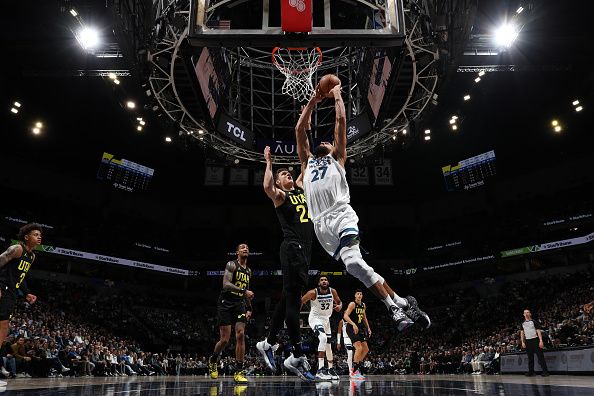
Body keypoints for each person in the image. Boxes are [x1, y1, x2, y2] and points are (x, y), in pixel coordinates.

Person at [295, 81, 430, 331]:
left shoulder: (338, 159)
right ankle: (402, 300)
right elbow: (300, 129)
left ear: (335, 149)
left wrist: (336, 97)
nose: (324, 140)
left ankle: (393, 310)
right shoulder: (307, 164)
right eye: (322, 140)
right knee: (359, 268)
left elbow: (340, 124)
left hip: (341, 215)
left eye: (329, 141)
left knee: (355, 265)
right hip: (321, 227)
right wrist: (313, 102)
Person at [256, 146, 314, 381]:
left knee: (287, 296)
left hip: (305, 250)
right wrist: (269, 163)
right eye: (283, 175)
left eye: (288, 173)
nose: (287, 175)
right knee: (293, 305)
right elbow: (267, 188)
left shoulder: (300, 187)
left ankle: (268, 343)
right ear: (280, 183)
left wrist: (307, 124)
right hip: (291, 248)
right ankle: (297, 356)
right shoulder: (280, 196)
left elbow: (305, 163)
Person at [0, 223, 41, 386]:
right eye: (35, 234)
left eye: (40, 235)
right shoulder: (17, 249)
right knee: (3, 327)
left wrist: (26, 293)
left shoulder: (31, 256)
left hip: (11, 293)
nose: (39, 237)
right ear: (26, 237)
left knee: (4, 329)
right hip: (3, 288)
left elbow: (20, 276)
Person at [208, 244, 254, 384]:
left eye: (247, 248)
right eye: (242, 248)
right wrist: (243, 292)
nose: (245, 249)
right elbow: (226, 284)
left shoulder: (249, 271)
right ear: (237, 252)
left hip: (239, 304)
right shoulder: (231, 264)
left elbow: (246, 292)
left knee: (240, 335)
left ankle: (239, 371)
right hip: (225, 303)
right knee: (225, 340)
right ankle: (213, 359)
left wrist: (249, 308)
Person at [300, 275, 342, 380]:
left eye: (325, 280)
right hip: (315, 318)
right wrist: (296, 316)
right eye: (322, 280)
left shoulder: (333, 291)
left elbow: (339, 302)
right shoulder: (312, 292)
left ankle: (330, 369)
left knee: (328, 344)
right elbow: (301, 301)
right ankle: (320, 370)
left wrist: (339, 306)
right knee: (323, 338)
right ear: (319, 283)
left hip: (326, 320)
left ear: (328, 282)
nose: (324, 281)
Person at [343, 289, 371, 380]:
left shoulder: (363, 305)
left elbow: (364, 317)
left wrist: (368, 328)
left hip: (359, 328)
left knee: (366, 349)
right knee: (359, 348)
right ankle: (353, 371)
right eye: (358, 294)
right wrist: (353, 324)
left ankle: (356, 367)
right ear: (355, 295)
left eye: (361, 294)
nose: (359, 295)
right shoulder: (352, 304)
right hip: (351, 328)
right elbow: (345, 316)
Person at [520, 309, 549, 377]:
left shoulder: (534, 322)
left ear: (530, 314)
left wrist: (541, 340)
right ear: (523, 315)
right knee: (530, 357)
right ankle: (531, 372)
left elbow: (538, 331)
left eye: (527, 312)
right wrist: (522, 342)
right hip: (528, 341)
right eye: (525, 313)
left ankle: (545, 372)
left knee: (540, 356)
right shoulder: (522, 323)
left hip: (535, 340)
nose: (526, 313)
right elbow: (522, 333)